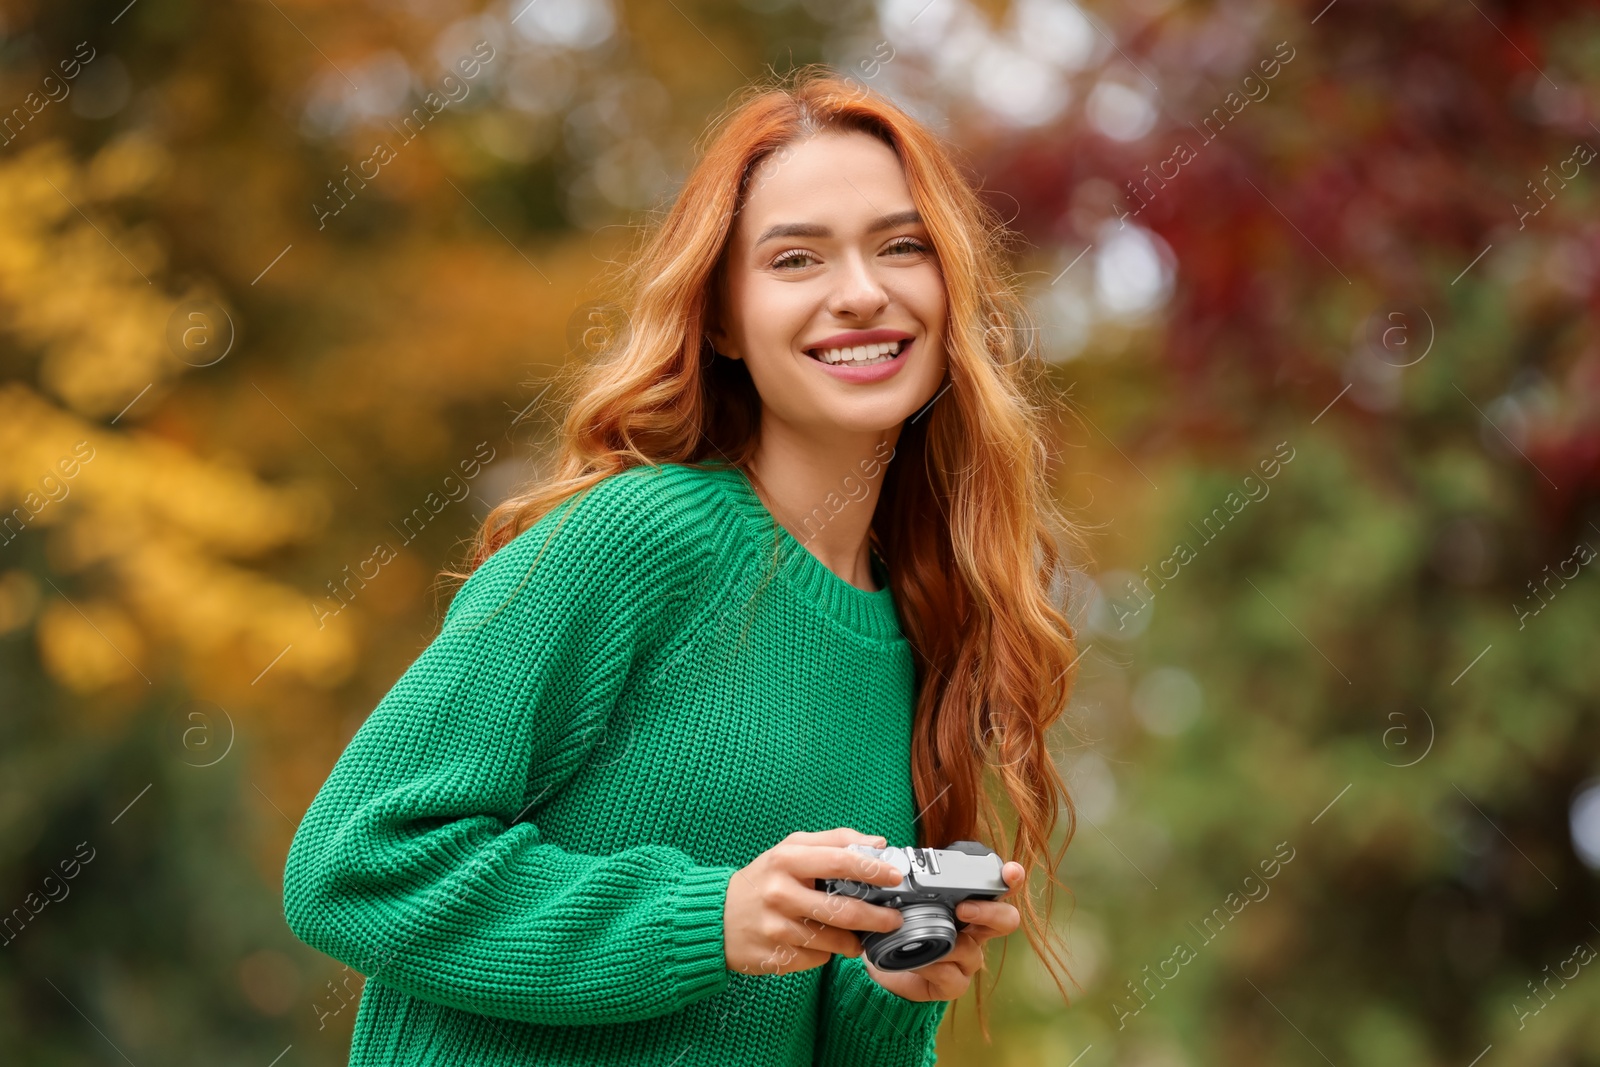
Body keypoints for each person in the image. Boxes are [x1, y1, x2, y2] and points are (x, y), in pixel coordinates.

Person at [283, 66, 1084, 1066]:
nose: (862, 292)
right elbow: (352, 863)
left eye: (901, 245)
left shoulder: (918, 630)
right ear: (720, 318)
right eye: (797, 259)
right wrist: (710, 917)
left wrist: (890, 988)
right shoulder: (638, 536)